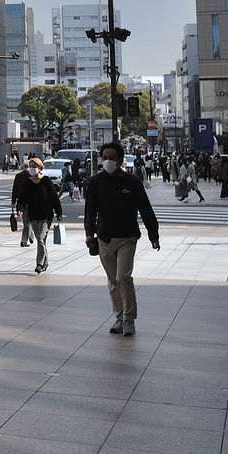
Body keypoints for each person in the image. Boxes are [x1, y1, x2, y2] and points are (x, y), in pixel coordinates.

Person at [84, 142, 160, 337]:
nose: (108, 161)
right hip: (104, 237)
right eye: (104, 157)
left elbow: (146, 209)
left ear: (119, 159)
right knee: (112, 280)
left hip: (127, 236)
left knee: (123, 277)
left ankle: (129, 319)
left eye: (112, 157)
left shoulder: (132, 181)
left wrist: (154, 234)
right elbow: (90, 211)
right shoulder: (95, 182)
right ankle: (119, 316)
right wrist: (89, 234)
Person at [18, 158, 63, 275]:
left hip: (46, 215)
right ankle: (45, 262)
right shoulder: (28, 182)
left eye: (34, 166)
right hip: (32, 215)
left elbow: (54, 197)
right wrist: (20, 209)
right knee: (40, 240)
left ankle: (39, 263)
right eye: (30, 166)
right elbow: (22, 198)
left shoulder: (46, 181)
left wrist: (59, 212)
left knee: (41, 237)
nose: (32, 168)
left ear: (40, 168)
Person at [9, 162, 33, 247]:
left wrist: (13, 202)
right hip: (30, 201)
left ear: (22, 167)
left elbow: (14, 190)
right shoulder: (32, 175)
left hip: (20, 202)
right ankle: (24, 241)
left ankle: (31, 236)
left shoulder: (18, 176)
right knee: (28, 222)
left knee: (26, 221)